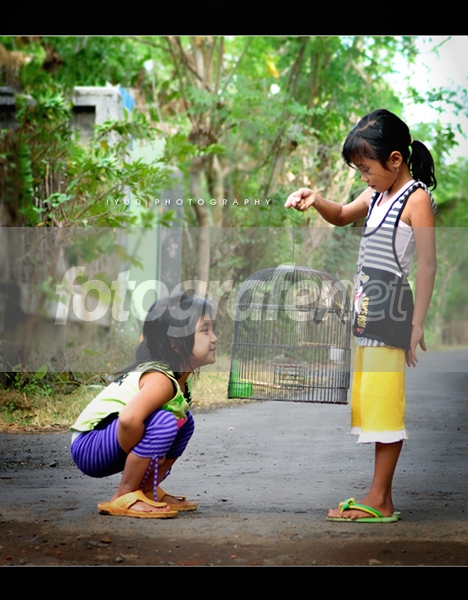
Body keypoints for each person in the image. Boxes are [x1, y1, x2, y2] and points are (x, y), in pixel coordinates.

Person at [285, 108, 437, 522]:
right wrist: (315, 199)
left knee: (385, 404)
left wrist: (417, 323)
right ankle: (378, 494)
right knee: (371, 402)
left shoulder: (416, 199)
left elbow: (427, 265)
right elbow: (339, 215)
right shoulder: (375, 196)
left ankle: (380, 499)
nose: (363, 177)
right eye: (359, 170)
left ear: (395, 159)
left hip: (391, 314)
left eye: (366, 168)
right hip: (367, 313)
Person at [70, 293, 217, 518]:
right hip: (89, 445)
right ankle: (125, 494)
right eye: (205, 330)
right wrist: (143, 450)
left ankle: (147, 490)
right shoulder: (160, 380)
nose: (214, 338)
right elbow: (129, 419)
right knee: (164, 421)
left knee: (185, 421)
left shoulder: (175, 380)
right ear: (176, 344)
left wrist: (149, 451)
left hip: (106, 440)